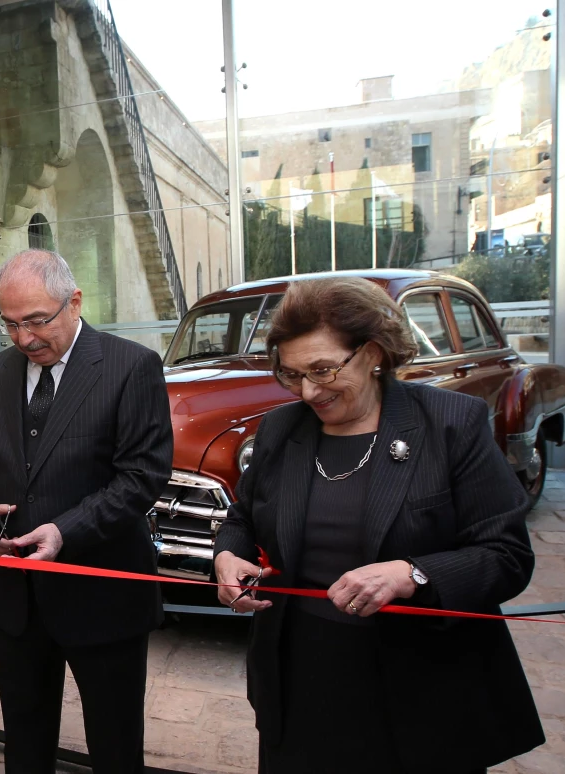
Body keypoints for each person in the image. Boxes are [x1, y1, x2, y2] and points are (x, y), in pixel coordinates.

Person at [213, 277, 544, 774]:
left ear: (372, 354)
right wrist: (227, 554)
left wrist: (410, 574)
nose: (308, 391)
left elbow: (507, 556)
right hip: (300, 677)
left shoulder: (452, 424)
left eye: (323, 370)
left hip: (422, 683)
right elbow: (242, 515)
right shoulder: (282, 429)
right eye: (291, 374)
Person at [0, 249, 173, 774]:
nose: (24, 338)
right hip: (19, 603)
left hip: (103, 594)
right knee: (25, 745)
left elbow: (141, 477)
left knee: (114, 745)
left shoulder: (131, 366)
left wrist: (64, 530)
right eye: (9, 324)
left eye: (36, 321)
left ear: (74, 302)